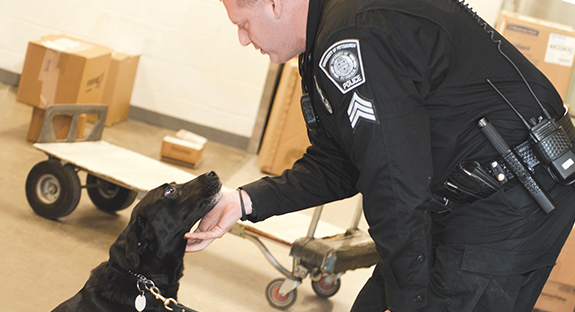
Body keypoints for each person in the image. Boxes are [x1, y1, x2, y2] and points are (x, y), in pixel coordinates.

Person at [184, 0, 575, 311]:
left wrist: (409, 302)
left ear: (273, 4)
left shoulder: (353, 37)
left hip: (514, 195)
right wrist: (245, 202)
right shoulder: (331, 30)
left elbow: (395, 184)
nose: (241, 37)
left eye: (241, 22)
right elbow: (339, 162)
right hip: (469, 187)